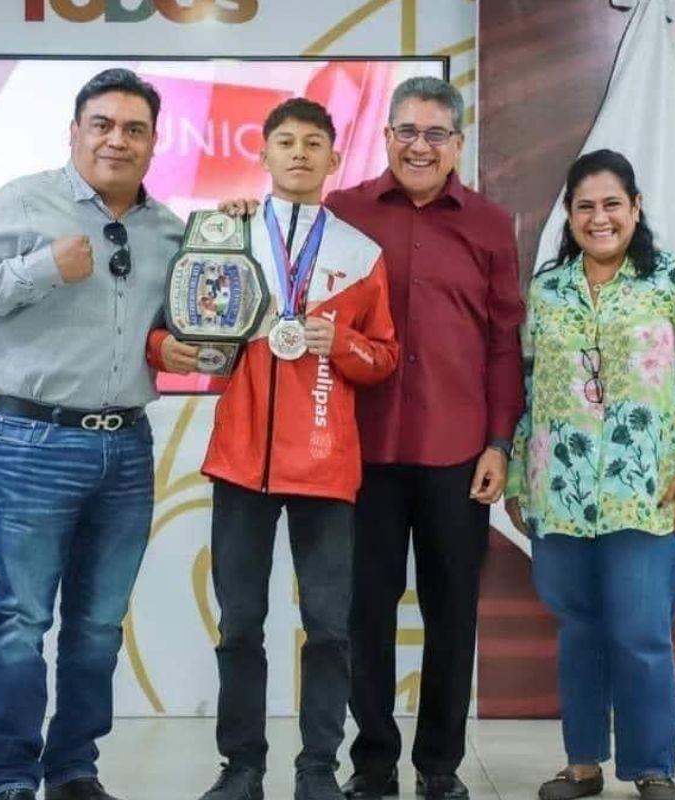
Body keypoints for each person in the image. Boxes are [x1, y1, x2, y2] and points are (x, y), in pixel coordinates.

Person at [224, 75, 524, 800]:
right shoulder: (345, 211)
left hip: (458, 454)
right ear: (386, 137)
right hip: (361, 452)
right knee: (363, 617)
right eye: (407, 132)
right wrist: (234, 218)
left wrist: (498, 443)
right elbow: (278, 241)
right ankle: (374, 761)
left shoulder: (490, 224)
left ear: (458, 144)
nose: (420, 146)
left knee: (453, 614)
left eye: (436, 134)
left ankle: (440, 766)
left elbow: (505, 344)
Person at [0, 68, 184, 800]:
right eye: (102, 124)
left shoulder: (170, 228)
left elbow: (171, 325)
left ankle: (74, 768)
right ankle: (11, 777)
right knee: (21, 618)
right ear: (74, 132)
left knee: (100, 626)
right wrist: (43, 265)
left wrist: (173, 343)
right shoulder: (23, 201)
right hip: (31, 444)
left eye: (134, 128)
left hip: (128, 448)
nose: (118, 139)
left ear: (152, 141)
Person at [152, 98, 399, 800]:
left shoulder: (359, 255)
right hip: (240, 463)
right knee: (240, 626)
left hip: (324, 466)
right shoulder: (222, 234)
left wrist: (342, 345)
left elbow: (384, 358)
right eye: (285, 141)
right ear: (262, 154)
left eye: (313, 142)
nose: (298, 153)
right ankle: (243, 767)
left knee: (328, 629)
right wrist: (173, 347)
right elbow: (169, 326)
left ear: (333, 159)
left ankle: (317, 767)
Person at [503, 149, 675, 800]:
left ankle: (652, 766)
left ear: (635, 209)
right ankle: (582, 764)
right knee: (579, 631)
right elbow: (526, 391)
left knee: (640, 632)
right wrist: (522, 481)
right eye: (584, 206)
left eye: (611, 204)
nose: (598, 218)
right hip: (560, 494)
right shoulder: (546, 292)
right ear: (568, 216)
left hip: (649, 493)